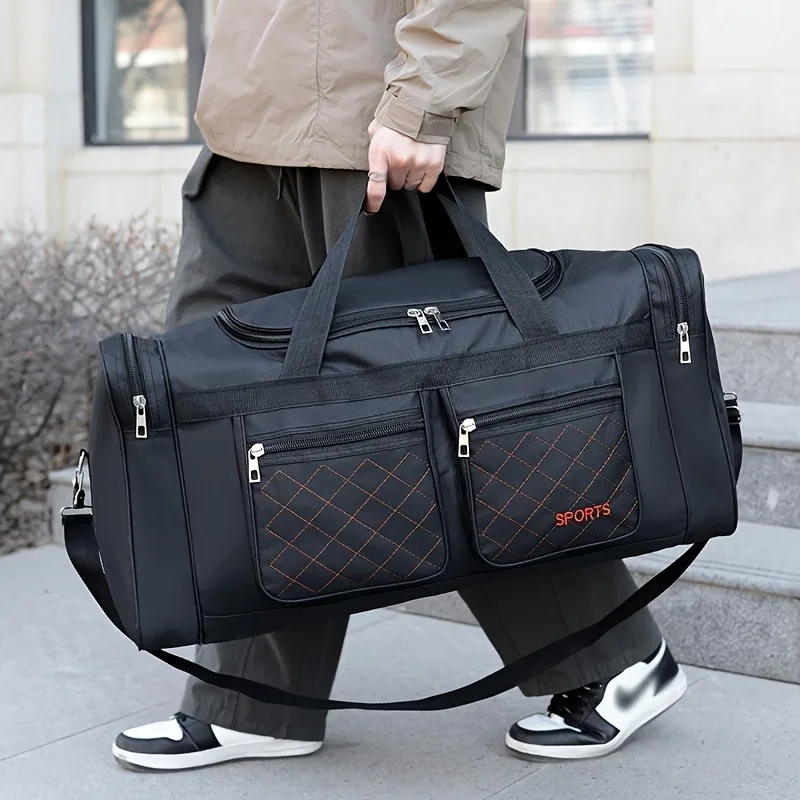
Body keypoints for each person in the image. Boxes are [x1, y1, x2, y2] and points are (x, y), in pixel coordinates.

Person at [112, 0, 685, 771]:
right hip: (248, 120)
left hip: (376, 123)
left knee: (445, 422)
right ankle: (260, 701)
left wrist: (423, 99)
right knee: (229, 424)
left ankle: (612, 659)